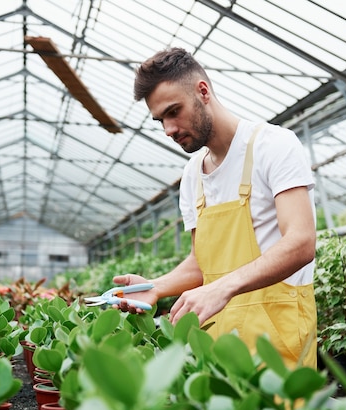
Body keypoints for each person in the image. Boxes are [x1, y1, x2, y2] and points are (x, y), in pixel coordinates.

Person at [113, 47, 317, 369]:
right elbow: (200, 264)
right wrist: (154, 288)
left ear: (203, 92)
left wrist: (222, 288)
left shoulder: (273, 146)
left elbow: (301, 242)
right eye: (160, 120)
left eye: (174, 111)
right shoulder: (193, 175)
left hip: (279, 342)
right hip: (220, 345)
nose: (168, 129)